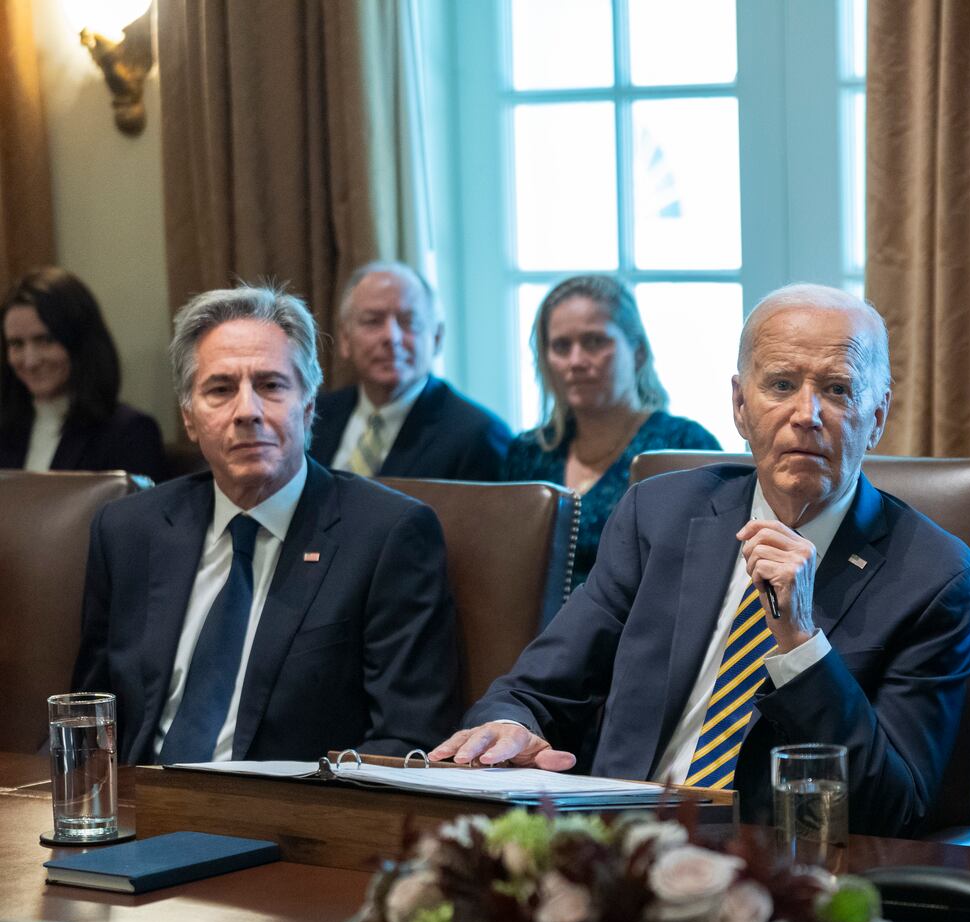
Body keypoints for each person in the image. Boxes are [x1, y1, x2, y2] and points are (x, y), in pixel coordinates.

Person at [430, 284, 970, 837]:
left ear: (878, 414)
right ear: (740, 406)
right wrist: (507, 727)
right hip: (613, 854)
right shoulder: (660, 514)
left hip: (779, 873)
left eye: (838, 389)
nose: (806, 414)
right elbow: (535, 690)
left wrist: (801, 645)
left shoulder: (936, 579)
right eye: (781, 385)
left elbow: (892, 807)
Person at [73, 283, 460, 763]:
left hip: (291, 821)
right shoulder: (128, 530)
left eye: (272, 385)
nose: (248, 412)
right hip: (138, 814)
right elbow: (88, 717)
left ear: (309, 406)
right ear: (189, 419)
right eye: (220, 389)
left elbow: (408, 739)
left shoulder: (387, 535)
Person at [504, 275, 719, 585]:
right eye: (561, 346)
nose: (576, 361)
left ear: (638, 351)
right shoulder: (528, 452)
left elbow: (704, 572)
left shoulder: (683, 445)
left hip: (637, 630)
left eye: (594, 342)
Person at [309, 261, 512, 481]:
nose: (391, 337)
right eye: (372, 321)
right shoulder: (313, 415)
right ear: (345, 339)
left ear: (437, 338)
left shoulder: (478, 436)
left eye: (409, 322)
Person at [0, 267, 164, 479]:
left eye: (45, 340)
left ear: (81, 343)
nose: (30, 361)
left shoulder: (129, 432)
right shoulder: (6, 429)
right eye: (16, 344)